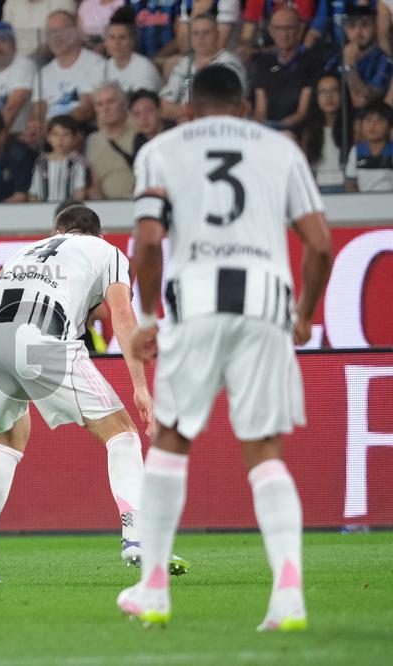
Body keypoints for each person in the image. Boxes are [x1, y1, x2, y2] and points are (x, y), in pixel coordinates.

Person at [120, 65, 332, 631]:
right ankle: (288, 594)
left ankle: (154, 587)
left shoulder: (161, 150)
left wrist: (147, 319)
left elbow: (147, 241)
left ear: (189, 111)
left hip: (195, 304)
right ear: (244, 108)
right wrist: (304, 314)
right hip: (266, 305)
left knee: (171, 439)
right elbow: (319, 244)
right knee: (264, 449)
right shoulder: (281, 149)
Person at [0, 204, 188, 583]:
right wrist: (140, 385)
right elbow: (122, 314)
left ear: (57, 231)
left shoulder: (23, 254)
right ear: (98, 234)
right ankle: (138, 536)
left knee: (8, 441)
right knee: (121, 433)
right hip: (40, 338)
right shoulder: (107, 251)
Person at [27, 10, 106, 143]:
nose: (56, 37)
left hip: (80, 131)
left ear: (76, 31)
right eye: (51, 33)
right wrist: (35, 125)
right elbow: (38, 109)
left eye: (61, 31)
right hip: (48, 135)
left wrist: (53, 126)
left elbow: (87, 109)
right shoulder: (44, 72)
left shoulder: (96, 64)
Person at [160, 14, 247, 123]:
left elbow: (220, 107)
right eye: (195, 33)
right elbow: (163, 103)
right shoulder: (185, 63)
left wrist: (186, 113)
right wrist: (184, 112)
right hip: (185, 123)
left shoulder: (229, 63)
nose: (200, 38)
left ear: (217, 35)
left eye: (206, 32)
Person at [251, 8, 314, 130]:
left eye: (289, 28)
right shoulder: (262, 63)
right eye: (278, 28)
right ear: (270, 31)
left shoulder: (310, 61)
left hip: (296, 129)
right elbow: (260, 109)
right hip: (268, 128)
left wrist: (280, 128)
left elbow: (302, 112)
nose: (284, 34)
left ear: (299, 29)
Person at [323, 5, 393, 109]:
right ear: (344, 28)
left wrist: (350, 65)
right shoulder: (335, 57)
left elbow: (363, 100)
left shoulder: (384, 59)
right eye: (352, 25)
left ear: (375, 27)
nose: (358, 31)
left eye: (365, 24)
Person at [300, 73, 357, 192]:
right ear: (316, 97)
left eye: (334, 90)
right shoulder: (309, 131)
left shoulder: (355, 127)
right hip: (318, 190)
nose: (328, 96)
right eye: (322, 92)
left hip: (348, 190)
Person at [85, 83, 138, 199]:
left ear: (124, 104)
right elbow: (93, 183)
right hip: (104, 205)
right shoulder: (92, 140)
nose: (105, 109)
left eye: (110, 102)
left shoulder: (139, 133)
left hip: (137, 201)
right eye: (99, 104)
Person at [103, 8, 165, 94]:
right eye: (112, 37)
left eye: (122, 37)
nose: (116, 43)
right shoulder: (107, 66)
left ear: (132, 41)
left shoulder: (144, 67)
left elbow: (145, 101)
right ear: (105, 42)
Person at [29, 115, 89, 202]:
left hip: (68, 208)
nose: (60, 139)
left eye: (66, 134)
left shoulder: (77, 162)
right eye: (55, 134)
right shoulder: (41, 162)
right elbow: (34, 192)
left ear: (74, 137)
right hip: (43, 208)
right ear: (48, 137)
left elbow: (80, 191)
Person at [345, 101, 393, 191]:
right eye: (368, 120)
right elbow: (351, 182)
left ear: (389, 126)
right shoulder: (357, 150)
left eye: (380, 120)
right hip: (364, 198)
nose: (372, 125)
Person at [4, 0, 78, 57]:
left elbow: (61, 39)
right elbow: (5, 36)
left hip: (49, 58)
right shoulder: (11, 2)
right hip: (16, 61)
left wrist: (31, 60)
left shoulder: (63, 1)